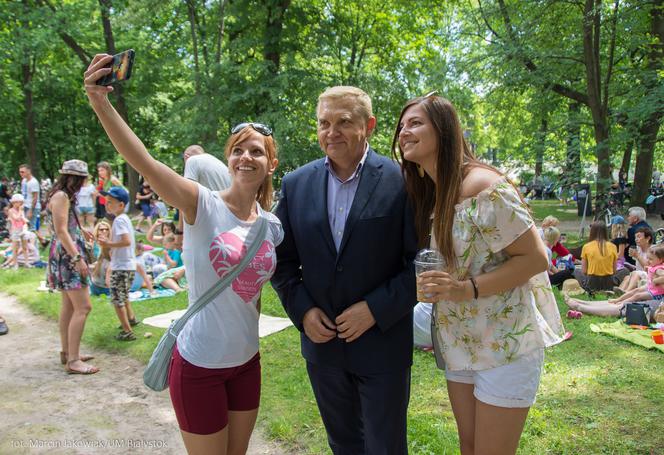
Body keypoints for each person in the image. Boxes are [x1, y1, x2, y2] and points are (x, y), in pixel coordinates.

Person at [85, 53, 282, 455]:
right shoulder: (200, 204)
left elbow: (254, 293)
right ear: (228, 159)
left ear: (271, 163)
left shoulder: (271, 226)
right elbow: (144, 161)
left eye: (257, 151)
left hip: (247, 362)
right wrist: (100, 102)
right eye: (239, 150)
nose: (247, 157)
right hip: (200, 366)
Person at [393, 94, 563, 455]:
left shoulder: (483, 186)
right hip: (461, 340)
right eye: (402, 125)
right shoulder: (436, 192)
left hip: (504, 343)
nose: (404, 131)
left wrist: (464, 289)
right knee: (469, 447)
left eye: (416, 123)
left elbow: (535, 258)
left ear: (444, 129)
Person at [272, 86, 417, 454]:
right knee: (343, 445)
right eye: (324, 123)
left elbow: (421, 263)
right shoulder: (295, 184)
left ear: (368, 126)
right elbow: (281, 261)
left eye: (343, 122)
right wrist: (303, 311)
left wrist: (375, 309)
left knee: (386, 447)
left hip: (382, 344)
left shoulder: (403, 182)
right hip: (323, 348)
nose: (331, 132)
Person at [45, 159, 98, 375]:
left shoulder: (62, 195)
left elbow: (65, 225)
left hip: (65, 252)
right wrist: (78, 258)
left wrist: (81, 229)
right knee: (84, 307)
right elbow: (60, 230)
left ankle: (67, 352)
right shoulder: (61, 196)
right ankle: (74, 361)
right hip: (68, 256)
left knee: (68, 306)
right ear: (78, 178)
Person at [565, 244, 664, 317]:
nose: (648, 260)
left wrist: (655, 280)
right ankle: (584, 303)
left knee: (628, 307)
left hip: (658, 298)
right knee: (630, 297)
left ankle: (581, 307)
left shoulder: (659, 268)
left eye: (650, 259)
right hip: (656, 293)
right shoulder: (655, 264)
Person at [97, 186, 139, 341]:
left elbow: (126, 241)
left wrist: (108, 244)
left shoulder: (120, 220)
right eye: (106, 202)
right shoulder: (124, 219)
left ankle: (127, 331)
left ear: (121, 205)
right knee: (124, 295)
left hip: (121, 267)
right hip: (128, 265)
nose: (107, 205)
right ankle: (132, 319)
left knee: (117, 298)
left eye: (110, 202)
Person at [573, 221, 619, 292]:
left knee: (576, 271)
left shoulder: (586, 247)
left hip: (592, 282)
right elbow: (614, 270)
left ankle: (588, 289)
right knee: (624, 271)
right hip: (608, 282)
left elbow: (584, 271)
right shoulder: (613, 247)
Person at [618, 227, 655, 293]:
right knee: (627, 277)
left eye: (639, 237)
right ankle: (618, 293)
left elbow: (649, 267)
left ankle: (626, 292)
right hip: (639, 274)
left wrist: (637, 256)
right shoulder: (638, 249)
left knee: (635, 273)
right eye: (635, 237)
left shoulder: (654, 250)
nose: (636, 239)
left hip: (650, 274)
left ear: (648, 238)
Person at [7, 194, 30, 270]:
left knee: (25, 247)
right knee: (15, 248)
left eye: (21, 202)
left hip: (22, 229)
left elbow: (23, 219)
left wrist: (26, 221)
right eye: (19, 202)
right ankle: (15, 263)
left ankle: (27, 263)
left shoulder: (21, 211)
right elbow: (16, 218)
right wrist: (20, 211)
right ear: (14, 202)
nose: (21, 204)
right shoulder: (11, 211)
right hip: (15, 230)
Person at [18, 164, 41, 230]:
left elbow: (35, 198)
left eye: (23, 172)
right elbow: (24, 194)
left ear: (28, 171)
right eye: (20, 172)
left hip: (32, 207)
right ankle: (41, 240)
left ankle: (33, 240)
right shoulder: (24, 181)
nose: (21, 173)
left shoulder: (33, 182)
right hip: (25, 205)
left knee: (31, 227)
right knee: (25, 226)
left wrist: (31, 210)